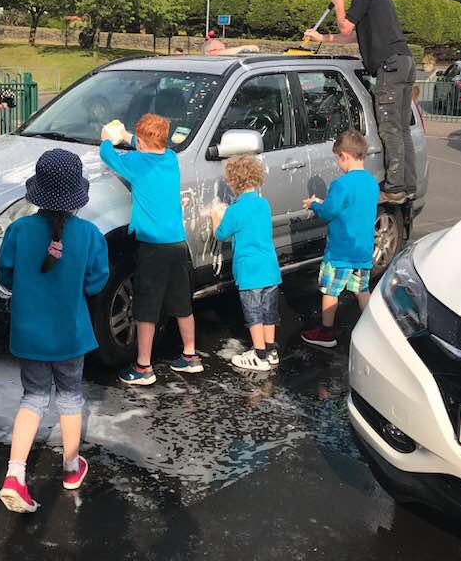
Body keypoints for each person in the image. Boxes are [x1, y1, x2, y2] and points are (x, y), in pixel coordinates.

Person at [0, 148, 109, 513]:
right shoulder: (91, 235)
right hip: (71, 334)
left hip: (29, 334)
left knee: (32, 398)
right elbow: (95, 284)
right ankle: (72, 468)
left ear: (37, 192)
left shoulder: (18, 230)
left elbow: (5, 278)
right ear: (77, 195)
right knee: (71, 397)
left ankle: (15, 474)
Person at [100, 113, 202, 385]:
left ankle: (143, 367)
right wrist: (128, 138)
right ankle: (190, 356)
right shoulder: (170, 159)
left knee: (145, 308)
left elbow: (109, 158)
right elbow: (147, 146)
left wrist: (108, 141)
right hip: (178, 246)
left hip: (152, 248)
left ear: (142, 144)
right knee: (182, 303)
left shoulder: (135, 162)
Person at [303, 0, 414, 204]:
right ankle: (407, 185)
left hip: (390, 67)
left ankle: (394, 188)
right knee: (402, 129)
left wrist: (338, 1)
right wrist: (321, 38)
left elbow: (345, 26)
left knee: (390, 129)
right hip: (403, 62)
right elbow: (351, 37)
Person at [300, 129, 379, 348]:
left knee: (330, 292)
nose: (338, 164)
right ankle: (373, 330)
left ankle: (326, 333)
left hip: (339, 253)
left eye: (338, 159)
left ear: (344, 156)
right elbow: (352, 209)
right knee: (362, 291)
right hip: (362, 251)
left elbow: (328, 213)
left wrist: (314, 204)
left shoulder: (341, 184)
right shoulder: (372, 183)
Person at [209, 155, 282, 371]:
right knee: (270, 313)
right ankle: (271, 351)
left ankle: (259, 355)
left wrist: (215, 216)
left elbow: (221, 234)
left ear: (233, 182)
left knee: (254, 314)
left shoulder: (235, 210)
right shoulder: (263, 204)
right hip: (270, 269)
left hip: (249, 272)